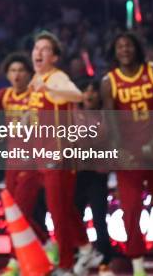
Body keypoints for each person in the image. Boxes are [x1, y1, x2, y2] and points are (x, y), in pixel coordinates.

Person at [101, 31, 153, 276]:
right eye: (120, 47)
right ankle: (138, 266)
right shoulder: (109, 82)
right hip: (131, 155)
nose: (125, 50)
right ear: (115, 53)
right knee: (131, 210)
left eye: (128, 46)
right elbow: (111, 121)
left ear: (136, 48)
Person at [22, 31, 101, 276]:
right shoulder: (36, 80)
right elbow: (31, 114)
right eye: (36, 48)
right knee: (62, 208)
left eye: (45, 49)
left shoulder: (57, 78)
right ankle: (88, 251)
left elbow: (77, 95)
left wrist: (49, 87)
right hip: (39, 155)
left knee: (58, 212)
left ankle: (66, 265)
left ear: (54, 57)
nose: (39, 52)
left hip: (58, 155)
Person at [0, 53, 57, 275]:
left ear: (29, 74)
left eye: (21, 70)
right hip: (12, 161)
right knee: (15, 213)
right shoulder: (4, 95)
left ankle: (14, 261)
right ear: (7, 75)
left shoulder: (37, 95)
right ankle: (47, 243)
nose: (17, 75)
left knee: (20, 211)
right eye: (13, 71)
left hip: (34, 161)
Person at [75, 79, 115, 276]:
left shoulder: (107, 115)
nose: (89, 94)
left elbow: (104, 139)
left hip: (97, 174)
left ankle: (104, 262)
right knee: (75, 218)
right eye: (85, 89)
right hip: (76, 174)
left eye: (93, 90)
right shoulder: (70, 113)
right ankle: (77, 258)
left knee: (100, 218)